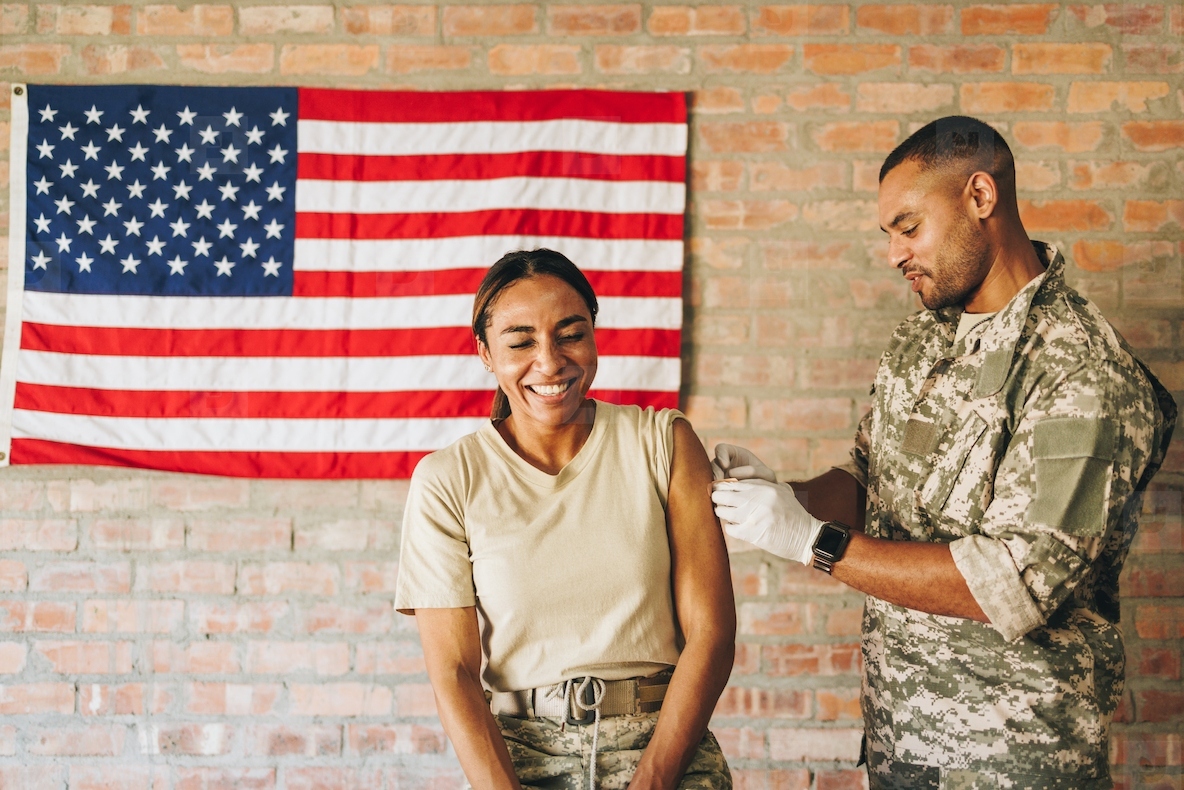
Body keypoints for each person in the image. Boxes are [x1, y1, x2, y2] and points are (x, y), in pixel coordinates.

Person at [710, 116, 1176, 789]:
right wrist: (788, 498)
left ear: (979, 198)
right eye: (889, 234)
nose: (894, 253)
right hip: (903, 748)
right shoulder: (923, 338)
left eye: (909, 226)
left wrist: (814, 541)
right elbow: (872, 480)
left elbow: (1017, 582)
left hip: (1015, 764)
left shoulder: (1079, 369)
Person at [395, 249, 736, 790]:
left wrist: (653, 779)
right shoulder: (447, 479)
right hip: (519, 756)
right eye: (521, 341)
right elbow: (454, 673)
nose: (550, 362)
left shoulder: (663, 442)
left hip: (664, 746)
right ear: (485, 353)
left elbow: (712, 634)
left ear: (594, 336)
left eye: (570, 334)